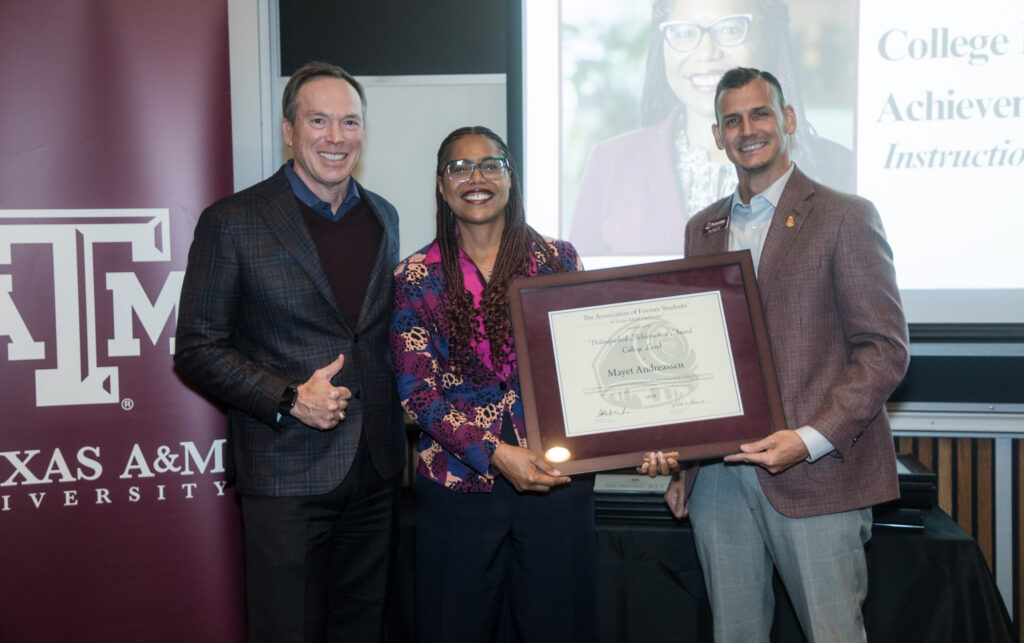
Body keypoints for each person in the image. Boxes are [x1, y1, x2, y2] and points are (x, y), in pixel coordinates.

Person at [642, 67, 908, 642]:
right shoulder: (702, 228)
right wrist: (686, 461)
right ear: (717, 136)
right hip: (719, 481)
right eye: (732, 120)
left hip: (820, 473)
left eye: (760, 113)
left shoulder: (845, 216)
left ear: (786, 120)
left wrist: (809, 439)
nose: (748, 129)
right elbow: (692, 356)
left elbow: (884, 349)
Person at [174, 61, 405, 642]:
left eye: (349, 121)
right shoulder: (232, 221)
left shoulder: (384, 215)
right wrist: (288, 398)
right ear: (288, 129)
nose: (336, 137)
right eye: (319, 120)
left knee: (365, 630)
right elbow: (197, 347)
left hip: (376, 470)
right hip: (285, 472)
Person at [390, 126, 598, 643]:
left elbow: (588, 364)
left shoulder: (558, 260)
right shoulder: (415, 277)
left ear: (511, 177)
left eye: (490, 165)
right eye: (459, 168)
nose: (475, 178)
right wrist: (494, 452)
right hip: (458, 493)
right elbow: (417, 393)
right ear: (442, 187)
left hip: (556, 484)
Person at [570, 0, 853, 257]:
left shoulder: (837, 166)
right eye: (683, 33)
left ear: (768, 36)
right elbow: (577, 301)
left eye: (730, 30)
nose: (706, 53)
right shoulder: (610, 163)